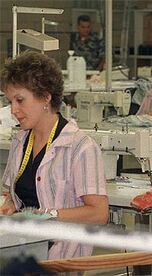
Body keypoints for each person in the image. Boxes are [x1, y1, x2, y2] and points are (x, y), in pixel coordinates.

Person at [0, 51, 109, 260]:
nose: (13, 109)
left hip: (60, 257)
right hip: (23, 249)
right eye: (10, 101)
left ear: (46, 97)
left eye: (20, 100)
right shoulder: (21, 141)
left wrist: (48, 215)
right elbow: (18, 197)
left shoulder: (81, 147)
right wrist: (10, 206)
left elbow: (99, 213)